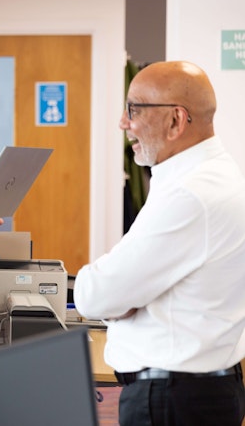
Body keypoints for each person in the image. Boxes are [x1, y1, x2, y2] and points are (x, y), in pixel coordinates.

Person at [73, 61, 245, 425]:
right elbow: (120, 293)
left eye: (134, 109)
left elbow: (94, 295)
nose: (124, 123)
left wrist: (122, 296)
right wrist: (130, 297)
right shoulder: (213, 177)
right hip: (199, 392)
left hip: (173, 403)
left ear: (175, 121)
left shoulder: (190, 195)